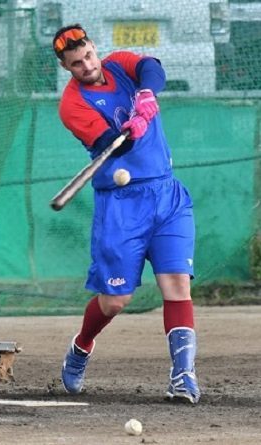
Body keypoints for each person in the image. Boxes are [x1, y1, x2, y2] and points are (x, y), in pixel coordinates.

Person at [53, 24, 200, 403]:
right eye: (76, 64)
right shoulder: (72, 104)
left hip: (167, 195)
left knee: (177, 285)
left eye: (87, 56)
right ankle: (82, 346)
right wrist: (133, 129)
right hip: (122, 205)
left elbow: (152, 67)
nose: (87, 66)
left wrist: (147, 95)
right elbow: (110, 145)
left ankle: (182, 376)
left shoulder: (118, 64)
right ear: (67, 69)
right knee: (115, 301)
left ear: (94, 49)